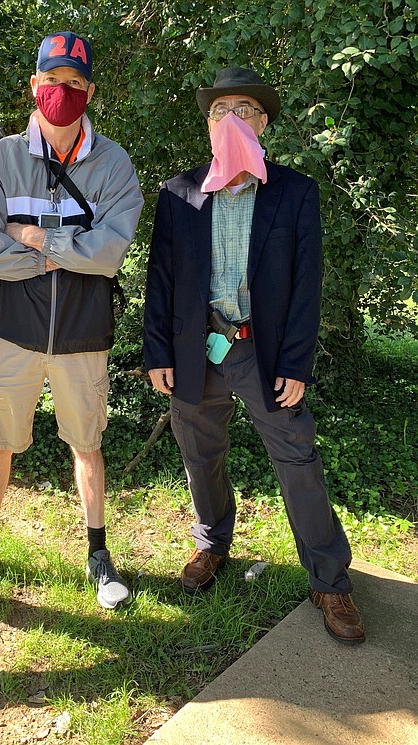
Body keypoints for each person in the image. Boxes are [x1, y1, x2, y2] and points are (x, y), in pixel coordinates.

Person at [143, 67, 365, 645]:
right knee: (200, 450)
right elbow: (161, 280)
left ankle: (330, 579)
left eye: (243, 109)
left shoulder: (294, 193)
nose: (230, 119)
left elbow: (305, 287)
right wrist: (159, 351)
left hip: (261, 353)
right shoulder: (178, 193)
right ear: (208, 124)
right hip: (196, 349)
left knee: (298, 461)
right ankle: (212, 541)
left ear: (262, 122)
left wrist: (295, 363)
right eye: (220, 111)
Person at [0, 32, 143, 610]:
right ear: (35, 85)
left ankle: (99, 556)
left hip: (83, 337)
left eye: (75, 83)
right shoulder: (0, 160)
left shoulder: (114, 165)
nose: (63, 91)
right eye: (53, 81)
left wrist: (29, 235)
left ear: (90, 91)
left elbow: (110, 253)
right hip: (11, 336)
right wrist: (70, 247)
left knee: (88, 445)